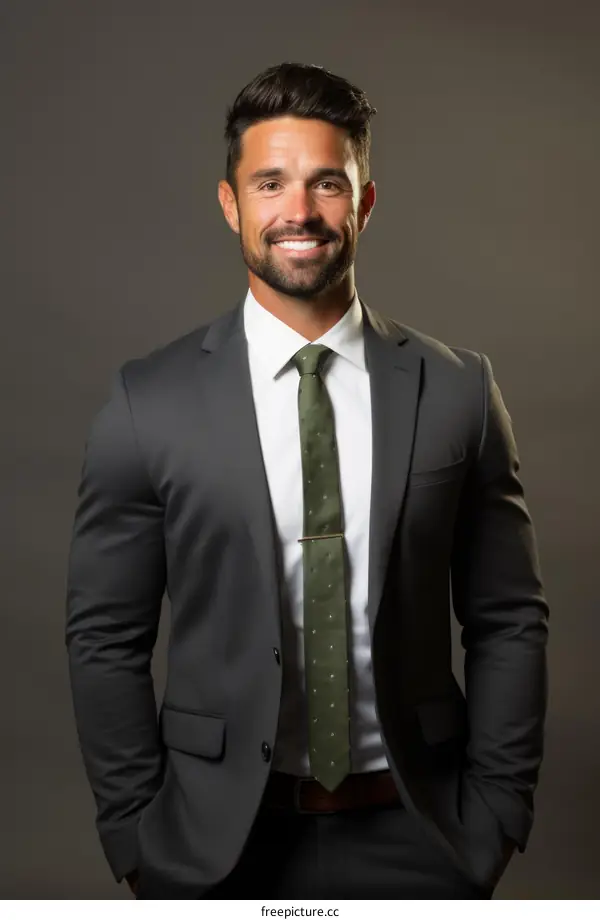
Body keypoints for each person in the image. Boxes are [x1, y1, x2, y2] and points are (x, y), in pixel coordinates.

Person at [65, 61, 549, 900]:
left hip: (422, 831)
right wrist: (136, 831)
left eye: (327, 183)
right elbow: (105, 637)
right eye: (269, 184)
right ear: (231, 205)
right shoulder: (149, 400)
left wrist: (497, 813)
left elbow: (508, 618)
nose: (298, 211)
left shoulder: (459, 389)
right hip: (212, 845)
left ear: (364, 202)